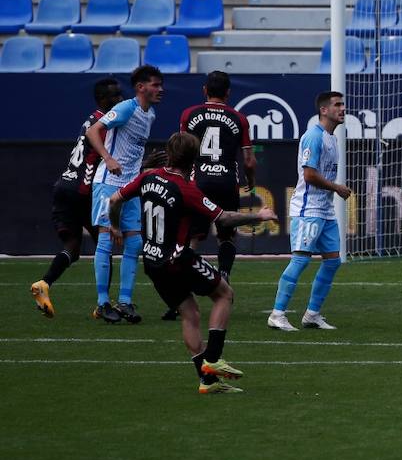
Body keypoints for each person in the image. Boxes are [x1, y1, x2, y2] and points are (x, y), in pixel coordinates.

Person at [108, 132, 276, 394]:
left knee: (190, 313)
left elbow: (114, 199)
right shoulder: (186, 189)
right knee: (224, 294)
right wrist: (259, 216)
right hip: (177, 258)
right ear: (193, 161)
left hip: (151, 260)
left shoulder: (148, 177)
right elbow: (223, 219)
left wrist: (115, 226)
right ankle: (213, 358)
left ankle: (207, 382)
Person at [30, 77, 123, 319]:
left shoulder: (90, 121)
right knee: (104, 245)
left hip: (64, 185)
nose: (120, 99)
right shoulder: (105, 125)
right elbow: (111, 161)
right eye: (115, 95)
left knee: (72, 248)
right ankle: (104, 304)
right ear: (102, 99)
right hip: (83, 191)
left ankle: (44, 283)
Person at [85, 64, 165, 324]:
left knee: (134, 242)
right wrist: (107, 158)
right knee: (106, 241)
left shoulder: (149, 114)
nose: (160, 89)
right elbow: (92, 130)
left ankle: (125, 302)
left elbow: (130, 152)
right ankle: (102, 303)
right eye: (155, 84)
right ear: (141, 87)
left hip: (131, 186)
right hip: (108, 183)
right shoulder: (126, 108)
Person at [269, 91, 352, 332]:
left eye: (343, 104)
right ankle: (277, 313)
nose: (342, 109)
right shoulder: (313, 137)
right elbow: (309, 175)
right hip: (308, 209)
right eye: (337, 105)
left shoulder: (331, 138)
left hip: (324, 211)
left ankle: (312, 314)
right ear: (324, 110)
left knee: (333, 261)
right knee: (301, 259)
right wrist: (336, 187)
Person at [179, 70, 256, 280]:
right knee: (226, 235)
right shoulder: (239, 119)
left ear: (205, 90)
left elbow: (181, 150)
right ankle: (223, 276)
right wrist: (251, 181)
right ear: (228, 92)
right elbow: (249, 160)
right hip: (226, 182)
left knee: (193, 236)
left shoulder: (189, 114)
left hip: (198, 183)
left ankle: (184, 286)